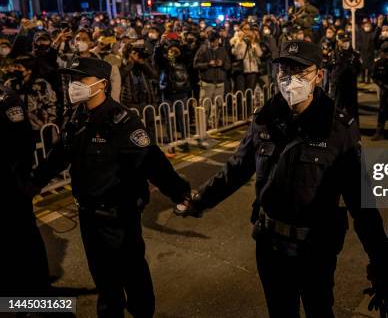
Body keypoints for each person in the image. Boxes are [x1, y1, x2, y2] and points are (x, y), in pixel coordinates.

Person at [175, 40, 388, 318]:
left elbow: (361, 202)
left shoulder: (338, 130)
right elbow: (237, 169)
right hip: (270, 244)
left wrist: (381, 264)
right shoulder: (265, 119)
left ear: (319, 76)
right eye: (284, 71)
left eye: (301, 72)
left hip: (315, 249)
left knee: (319, 310)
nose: (291, 80)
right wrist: (199, 200)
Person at [32, 57, 192, 317]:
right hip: (88, 215)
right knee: (105, 281)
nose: (74, 85)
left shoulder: (122, 122)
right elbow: (59, 155)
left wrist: (181, 194)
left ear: (102, 84)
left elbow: (153, 163)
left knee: (133, 276)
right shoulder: (78, 116)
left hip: (119, 217)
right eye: (72, 80)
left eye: (81, 80)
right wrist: (34, 183)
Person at [0, 83, 51, 297]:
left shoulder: (6, 99)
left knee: (23, 237)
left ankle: (37, 296)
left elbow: (22, 143)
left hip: (10, 185)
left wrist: (20, 180)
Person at [330, 31, 362, 123]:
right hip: (337, 88)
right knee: (336, 110)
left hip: (350, 87)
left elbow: (359, 69)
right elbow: (330, 70)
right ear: (338, 41)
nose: (345, 43)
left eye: (347, 41)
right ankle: (335, 132)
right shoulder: (334, 54)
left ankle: (355, 132)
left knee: (352, 111)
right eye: (343, 41)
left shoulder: (355, 54)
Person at [193, 32, 230, 105]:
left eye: (216, 42)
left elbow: (228, 65)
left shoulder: (222, 50)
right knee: (205, 107)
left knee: (218, 108)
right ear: (208, 41)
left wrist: (222, 64)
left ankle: (217, 117)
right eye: (211, 42)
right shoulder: (203, 49)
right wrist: (208, 64)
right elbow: (195, 65)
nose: (214, 44)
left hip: (220, 84)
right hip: (207, 84)